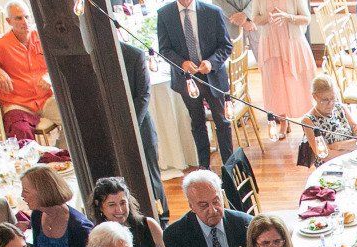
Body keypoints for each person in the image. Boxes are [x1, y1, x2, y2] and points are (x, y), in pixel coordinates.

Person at [157, 0, 235, 168]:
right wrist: (181, 63)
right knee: (197, 122)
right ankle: (204, 167)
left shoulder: (213, 11)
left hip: (213, 76)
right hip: (186, 80)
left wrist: (211, 62)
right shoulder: (164, 14)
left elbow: (226, 46)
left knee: (222, 122)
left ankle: (229, 167)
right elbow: (164, 50)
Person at [0, 1, 57, 143]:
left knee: (79, 117)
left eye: (27, 17)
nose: (25, 22)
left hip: (45, 99)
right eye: (19, 18)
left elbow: (58, 61)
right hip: (17, 103)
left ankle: (62, 153)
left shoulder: (43, 37)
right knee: (20, 132)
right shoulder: (0, 44)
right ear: (9, 21)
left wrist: (49, 77)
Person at [251, 0, 315, 140]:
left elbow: (306, 18)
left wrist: (288, 17)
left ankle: (309, 122)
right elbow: (255, 18)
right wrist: (266, 17)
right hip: (270, 45)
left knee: (299, 84)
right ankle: (283, 122)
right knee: (276, 86)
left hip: (293, 44)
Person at [120, 41, 170, 215]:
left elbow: (143, 95)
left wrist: (129, 126)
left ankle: (162, 217)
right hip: (116, 130)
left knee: (152, 177)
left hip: (140, 126)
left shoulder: (134, 54)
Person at [22, 165, 94, 247]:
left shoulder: (80, 227)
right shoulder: (37, 215)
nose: (22, 195)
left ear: (43, 191)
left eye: (26, 191)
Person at [299, 74, 357, 166]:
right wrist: (351, 148)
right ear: (315, 96)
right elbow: (325, 155)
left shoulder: (341, 108)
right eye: (325, 100)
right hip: (330, 166)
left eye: (333, 98)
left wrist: (338, 145)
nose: (330, 104)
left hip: (352, 161)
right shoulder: (308, 121)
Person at [90, 177, 166, 247]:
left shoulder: (149, 225)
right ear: (99, 206)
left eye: (123, 203)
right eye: (112, 205)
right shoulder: (97, 237)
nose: (119, 210)